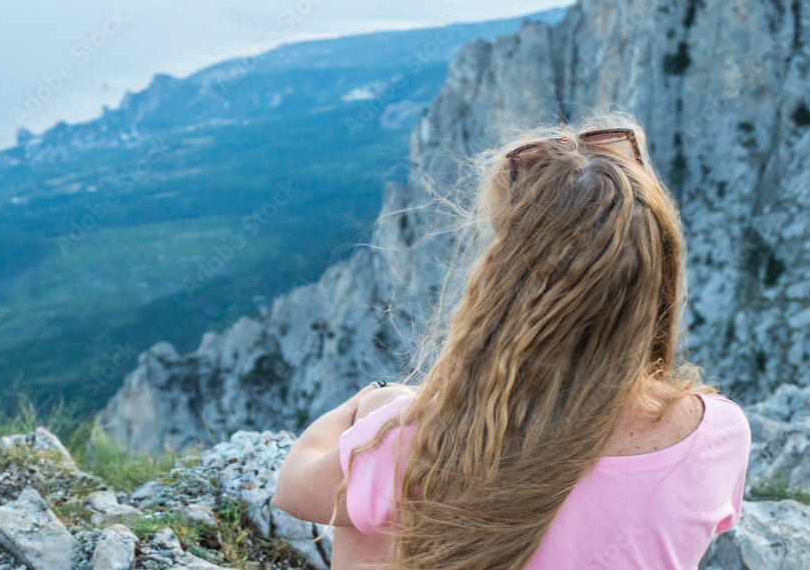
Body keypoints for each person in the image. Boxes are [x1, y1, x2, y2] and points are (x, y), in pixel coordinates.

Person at [273, 114, 752, 569]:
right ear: (659, 276)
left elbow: (293, 490)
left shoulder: (421, 445)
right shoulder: (720, 434)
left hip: (423, 451)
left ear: (506, 285)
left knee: (368, 497)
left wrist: (368, 404)